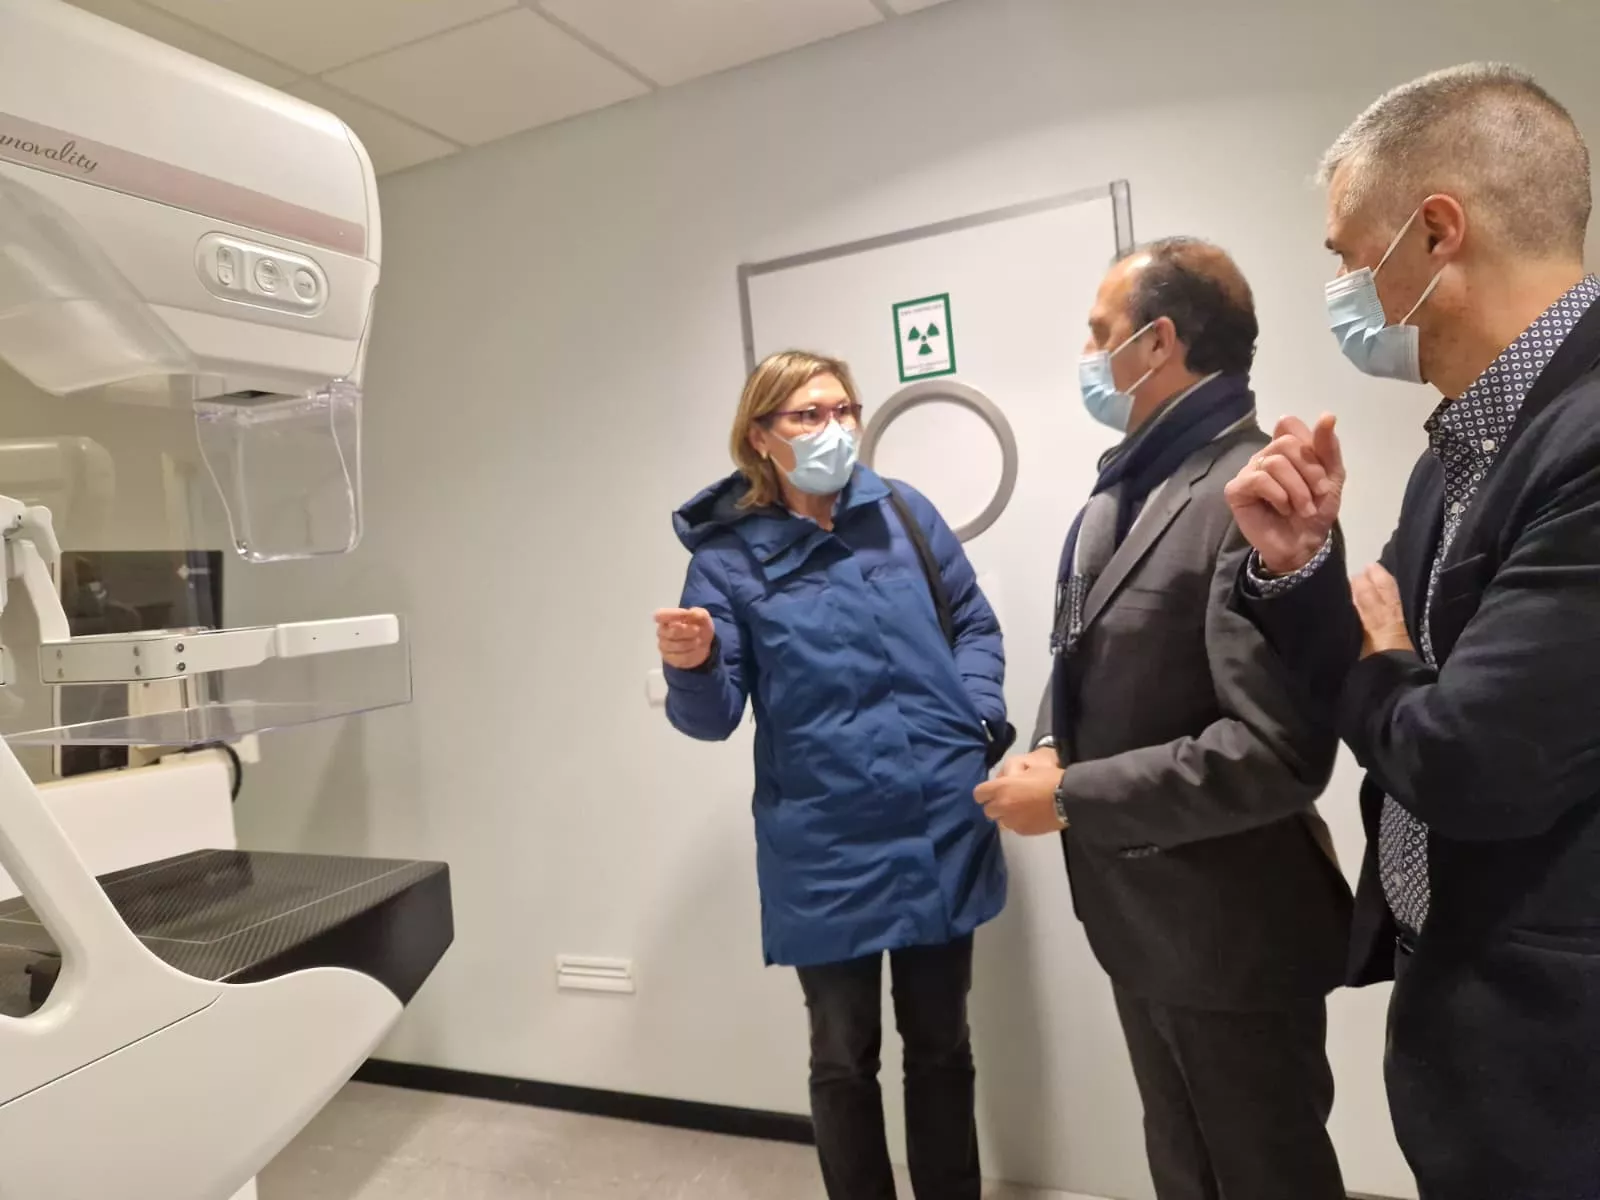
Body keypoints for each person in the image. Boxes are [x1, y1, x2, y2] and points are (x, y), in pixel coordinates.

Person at [1224, 64, 1600, 1198]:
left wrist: (1389, 662)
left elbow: (1471, 763)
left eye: (1348, 256)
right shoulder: (1464, 448)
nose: (1341, 290)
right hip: (1470, 1027)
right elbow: (1380, 665)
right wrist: (1302, 567)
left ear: (1437, 231)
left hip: (1562, 1064)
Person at [975, 240, 1352, 1200]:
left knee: (1264, 1176)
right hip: (1139, 922)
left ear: (1158, 343)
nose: (1088, 354)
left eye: (1099, 333)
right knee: (1183, 1169)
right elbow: (1079, 650)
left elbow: (1274, 752)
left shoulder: (1256, 496)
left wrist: (1072, 796)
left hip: (1233, 933)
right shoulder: (1125, 486)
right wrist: (1050, 742)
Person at [656, 350, 1009, 1200]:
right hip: (824, 845)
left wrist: (976, 720)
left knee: (942, 1046)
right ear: (760, 437)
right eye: (808, 415)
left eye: (843, 409)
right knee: (844, 1058)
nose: (835, 428)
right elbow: (713, 717)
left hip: (938, 824)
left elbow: (973, 623)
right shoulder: (727, 561)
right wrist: (692, 666)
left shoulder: (905, 514)